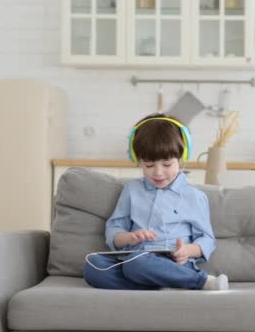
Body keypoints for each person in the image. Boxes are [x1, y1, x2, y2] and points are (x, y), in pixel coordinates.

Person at [84, 113, 228, 291]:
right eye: (149, 165)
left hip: (174, 263)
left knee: (136, 264)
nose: (158, 173)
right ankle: (166, 285)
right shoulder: (132, 190)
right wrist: (129, 237)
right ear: (138, 162)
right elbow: (114, 228)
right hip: (135, 258)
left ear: (182, 158)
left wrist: (187, 251)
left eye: (167, 165)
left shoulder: (195, 196)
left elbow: (207, 239)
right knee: (94, 266)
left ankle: (201, 281)